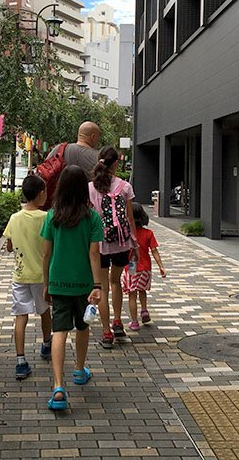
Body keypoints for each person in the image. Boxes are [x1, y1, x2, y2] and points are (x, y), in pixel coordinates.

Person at [40, 164, 104, 411]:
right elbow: (94, 253)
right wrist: (97, 285)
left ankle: (58, 386)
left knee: (59, 331)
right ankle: (79, 370)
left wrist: (47, 284)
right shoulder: (92, 217)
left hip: (58, 282)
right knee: (82, 326)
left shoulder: (52, 216)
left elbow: (46, 254)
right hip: (84, 284)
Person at [88, 146, 139, 349]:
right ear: (116, 163)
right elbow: (129, 217)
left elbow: (90, 216)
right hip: (121, 242)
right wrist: (134, 243)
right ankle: (118, 321)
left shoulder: (91, 187)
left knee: (102, 287)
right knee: (116, 282)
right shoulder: (125, 186)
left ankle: (107, 332)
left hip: (99, 244)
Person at [3, 175, 52, 380]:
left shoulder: (14, 218)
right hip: (42, 275)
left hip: (20, 275)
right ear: (41, 194)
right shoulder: (46, 217)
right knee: (45, 312)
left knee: (20, 316)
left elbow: (8, 246)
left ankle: (21, 360)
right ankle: (46, 344)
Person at [123, 202, 166, 330]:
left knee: (132, 294)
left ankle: (134, 321)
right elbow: (154, 251)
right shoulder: (148, 233)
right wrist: (161, 266)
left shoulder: (126, 233)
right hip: (146, 268)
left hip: (131, 267)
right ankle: (144, 310)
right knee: (142, 290)